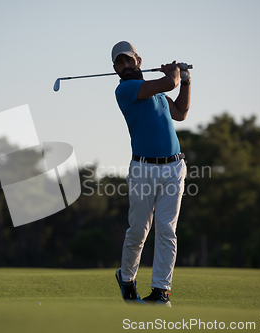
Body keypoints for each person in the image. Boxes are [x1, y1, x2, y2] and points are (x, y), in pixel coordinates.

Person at [112, 41, 191, 307]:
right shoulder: (127, 89)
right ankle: (127, 278)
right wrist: (173, 73)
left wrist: (187, 81)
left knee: (167, 230)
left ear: (139, 61)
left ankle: (161, 292)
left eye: (128, 61)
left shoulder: (155, 93)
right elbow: (169, 83)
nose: (124, 66)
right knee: (139, 230)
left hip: (174, 167)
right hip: (143, 169)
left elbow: (180, 113)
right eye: (119, 63)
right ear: (115, 69)